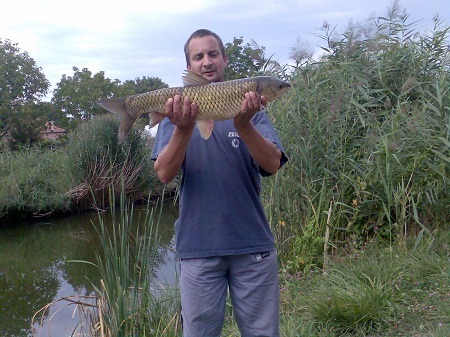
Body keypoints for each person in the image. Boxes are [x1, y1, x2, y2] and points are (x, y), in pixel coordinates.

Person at [151, 29, 288, 337]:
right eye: (198, 56)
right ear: (189, 69)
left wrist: (243, 124)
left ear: (225, 60)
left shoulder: (250, 106)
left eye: (213, 54)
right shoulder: (176, 110)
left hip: (252, 246)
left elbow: (273, 163)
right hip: (198, 247)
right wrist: (183, 129)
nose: (207, 62)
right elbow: (163, 174)